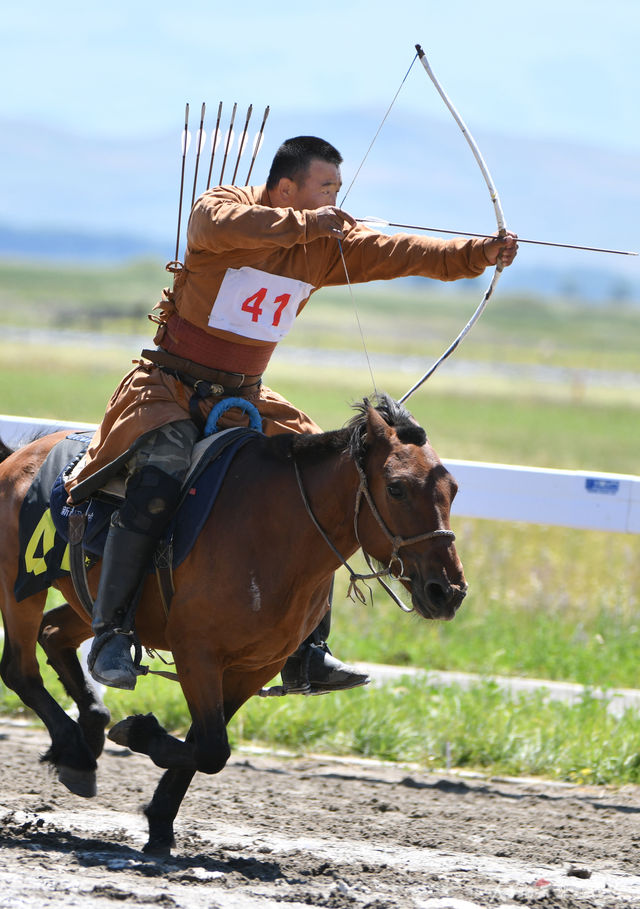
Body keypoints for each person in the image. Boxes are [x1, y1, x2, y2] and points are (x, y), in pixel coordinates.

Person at [65, 135, 518, 691]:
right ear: (285, 189)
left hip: (247, 397)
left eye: (337, 189)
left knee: (329, 475)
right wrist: (308, 226)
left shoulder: (327, 243)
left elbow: (402, 251)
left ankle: (308, 650)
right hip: (170, 388)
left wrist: (477, 254)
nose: (335, 199)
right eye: (324, 187)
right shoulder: (225, 210)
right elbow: (215, 221)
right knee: (159, 475)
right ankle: (111, 632)